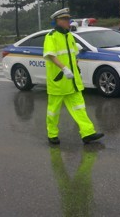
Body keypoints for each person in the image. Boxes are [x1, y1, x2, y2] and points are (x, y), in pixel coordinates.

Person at [43, 8, 104, 145]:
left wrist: (76, 66)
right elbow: (51, 55)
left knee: (79, 108)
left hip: (72, 81)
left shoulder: (69, 35)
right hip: (58, 81)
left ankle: (87, 133)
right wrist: (64, 68)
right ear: (58, 21)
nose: (68, 22)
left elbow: (73, 54)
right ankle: (52, 134)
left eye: (68, 19)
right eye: (65, 19)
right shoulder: (51, 36)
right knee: (53, 111)